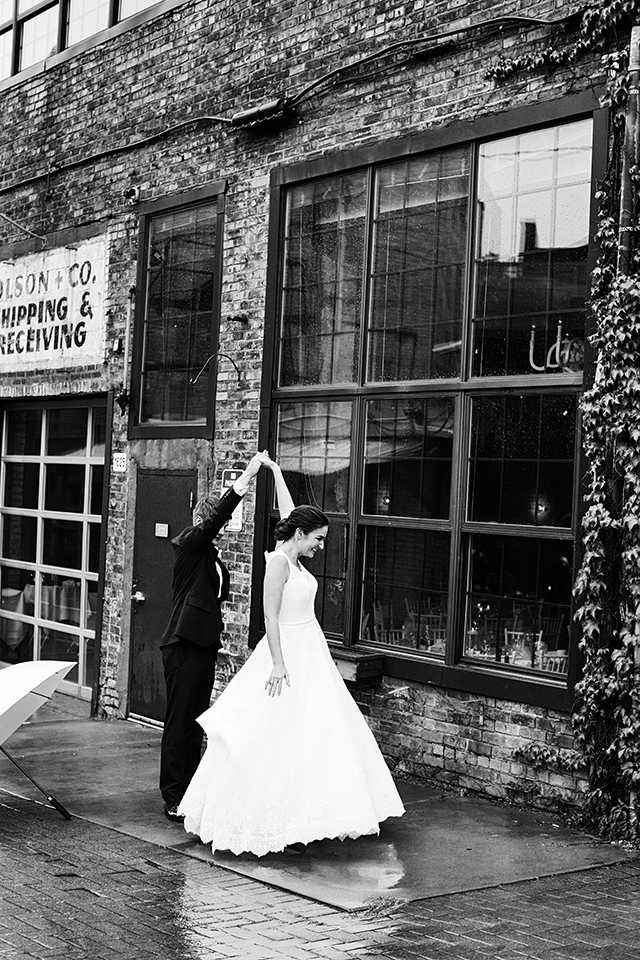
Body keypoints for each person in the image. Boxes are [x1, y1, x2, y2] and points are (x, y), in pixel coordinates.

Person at [178, 454, 405, 855]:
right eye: (318, 539)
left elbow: (290, 512)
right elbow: (269, 615)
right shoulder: (280, 563)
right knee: (276, 737)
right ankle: (272, 822)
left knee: (313, 735)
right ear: (300, 536)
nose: (321, 547)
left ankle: (306, 819)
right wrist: (280, 663)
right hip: (286, 652)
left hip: (311, 650)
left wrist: (279, 473)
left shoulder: (293, 551)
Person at [159, 451, 269, 823]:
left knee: (196, 723)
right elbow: (216, 520)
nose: (224, 525)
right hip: (182, 647)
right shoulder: (189, 545)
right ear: (206, 520)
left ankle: (191, 791)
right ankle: (173, 795)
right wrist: (246, 479)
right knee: (179, 722)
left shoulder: (210, 556)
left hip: (203, 647)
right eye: (219, 519)